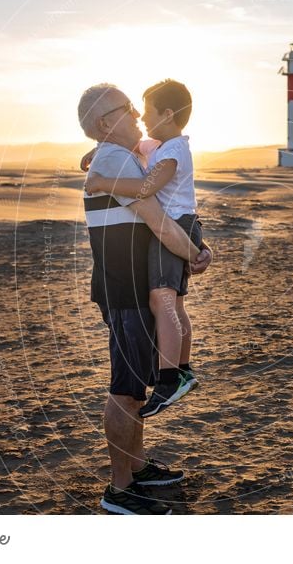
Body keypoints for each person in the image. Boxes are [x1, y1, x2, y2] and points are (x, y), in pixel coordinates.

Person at [77, 83, 212, 515]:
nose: (136, 113)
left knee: (134, 387)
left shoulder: (122, 154)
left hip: (132, 288)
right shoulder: (115, 158)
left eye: (138, 107)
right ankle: (121, 491)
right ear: (104, 123)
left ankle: (135, 469)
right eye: (127, 108)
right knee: (125, 389)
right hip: (126, 290)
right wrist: (196, 254)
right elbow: (159, 223)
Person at [84, 80, 201, 418]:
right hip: (178, 227)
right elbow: (139, 146)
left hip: (177, 225)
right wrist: (96, 151)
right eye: (131, 111)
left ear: (167, 114)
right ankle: (181, 369)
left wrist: (104, 182)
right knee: (172, 301)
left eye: (144, 111)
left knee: (162, 299)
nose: (139, 116)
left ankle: (171, 377)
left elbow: (148, 188)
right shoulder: (159, 145)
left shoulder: (174, 150)